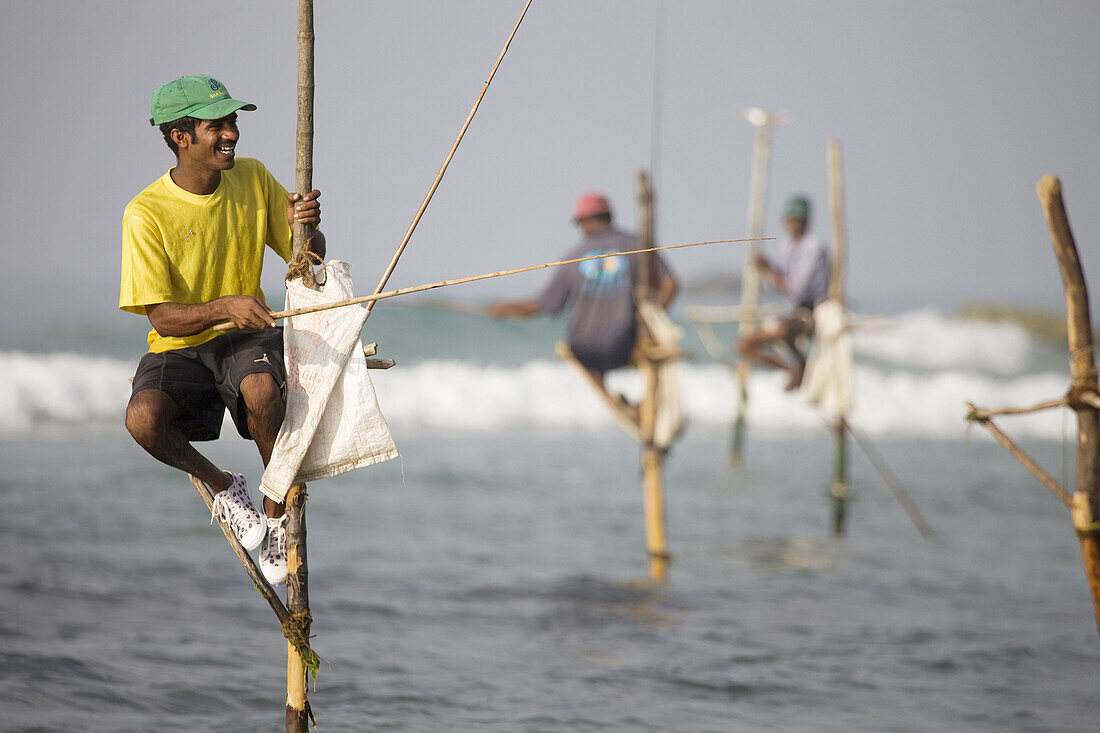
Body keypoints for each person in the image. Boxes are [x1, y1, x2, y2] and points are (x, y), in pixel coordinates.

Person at [119, 76, 325, 586]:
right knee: (143, 420)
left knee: (260, 387)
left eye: (234, 122)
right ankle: (227, 488)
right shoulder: (145, 213)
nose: (232, 133)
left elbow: (306, 255)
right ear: (180, 137)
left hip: (246, 337)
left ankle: (275, 513)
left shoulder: (253, 177)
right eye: (218, 125)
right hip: (182, 343)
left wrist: (309, 225)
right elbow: (161, 317)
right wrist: (223, 306)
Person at [488, 192, 678, 405]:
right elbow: (670, 284)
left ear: (585, 223)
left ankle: (608, 395)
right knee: (639, 342)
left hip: (584, 348)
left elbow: (542, 304)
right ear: (609, 216)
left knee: (585, 354)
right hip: (623, 346)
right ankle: (642, 402)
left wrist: (506, 308)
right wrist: (648, 320)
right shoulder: (638, 244)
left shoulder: (574, 255)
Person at [736, 195, 831, 391]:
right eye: (790, 220)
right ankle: (792, 370)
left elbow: (797, 291)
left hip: (811, 312)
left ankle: (802, 367)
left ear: (805, 222)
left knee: (782, 329)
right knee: (744, 345)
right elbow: (778, 287)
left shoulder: (814, 248)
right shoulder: (786, 247)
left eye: (796, 220)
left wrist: (769, 269)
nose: (792, 225)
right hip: (791, 312)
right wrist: (767, 270)